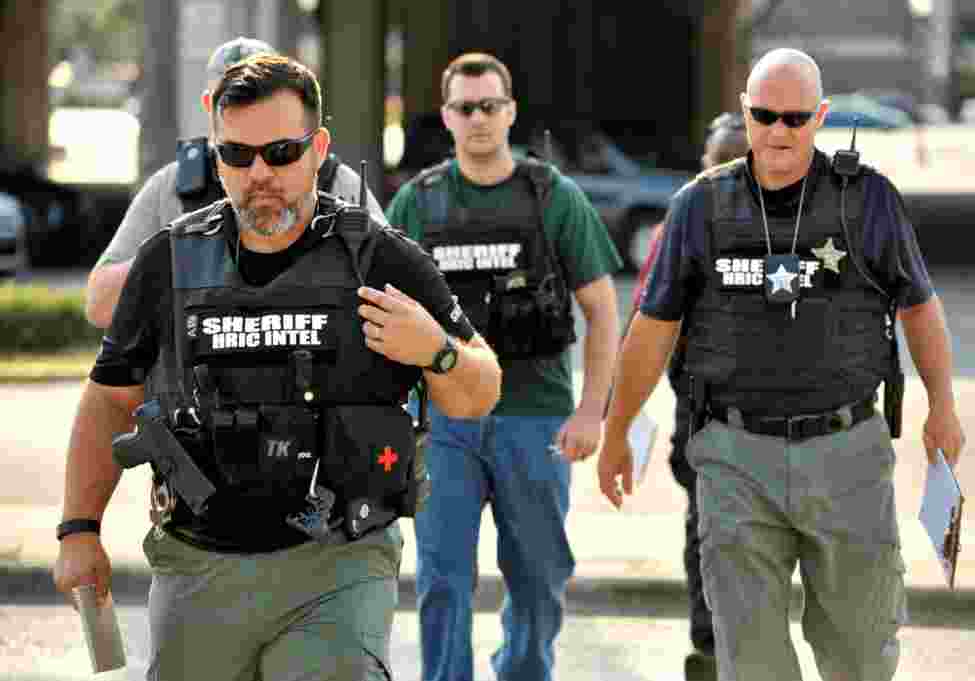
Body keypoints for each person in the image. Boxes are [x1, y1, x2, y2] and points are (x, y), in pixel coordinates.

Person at [52, 54, 502, 681]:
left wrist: (437, 349)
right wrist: (79, 529)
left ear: (318, 148)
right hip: (198, 563)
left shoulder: (380, 260)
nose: (260, 173)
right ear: (217, 157)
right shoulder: (169, 263)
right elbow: (108, 400)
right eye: (237, 156)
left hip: (338, 565)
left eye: (282, 152)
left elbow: (478, 391)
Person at [598, 48, 965, 681]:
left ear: (820, 117)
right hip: (735, 457)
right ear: (745, 112)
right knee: (751, 659)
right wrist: (616, 431)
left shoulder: (869, 200)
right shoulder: (700, 207)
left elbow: (921, 308)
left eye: (794, 119)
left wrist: (944, 407)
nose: (777, 132)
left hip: (848, 452)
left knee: (860, 650)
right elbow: (653, 328)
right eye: (763, 115)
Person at [385, 53, 621, 681]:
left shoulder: (553, 198)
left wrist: (592, 412)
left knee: (540, 581)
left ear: (511, 112)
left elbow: (603, 310)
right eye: (465, 107)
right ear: (448, 116)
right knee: (441, 582)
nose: (479, 118)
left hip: (535, 420)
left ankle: (522, 671)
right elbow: (380, 318)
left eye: (490, 105)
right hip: (443, 427)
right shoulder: (417, 204)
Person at [85, 36, 387, 329]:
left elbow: (393, 286)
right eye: (233, 96)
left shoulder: (333, 179)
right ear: (209, 104)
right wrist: (182, 254)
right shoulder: (174, 186)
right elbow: (100, 307)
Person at [628, 110, 749, 671]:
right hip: (701, 414)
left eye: (736, 162)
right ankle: (710, 646)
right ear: (704, 167)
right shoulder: (676, 227)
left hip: (770, 415)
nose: (727, 174)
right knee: (706, 531)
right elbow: (644, 327)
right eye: (719, 162)